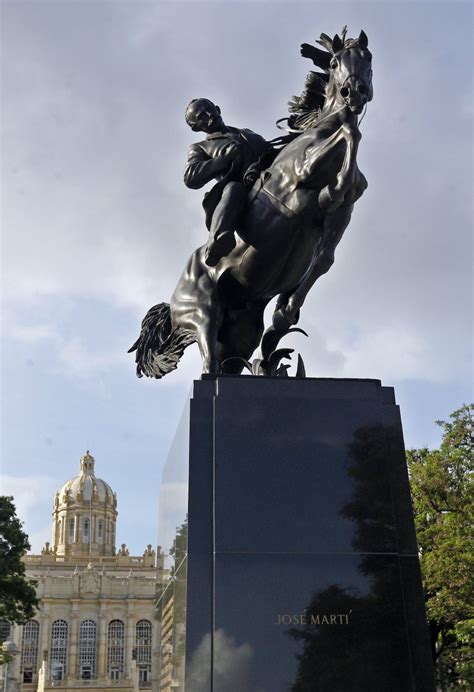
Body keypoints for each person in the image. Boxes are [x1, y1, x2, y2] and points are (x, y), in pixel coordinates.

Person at [184, 98, 270, 266]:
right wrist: (224, 159)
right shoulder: (200, 147)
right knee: (233, 189)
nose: (210, 115)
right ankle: (217, 242)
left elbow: (270, 152)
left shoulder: (247, 133)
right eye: (202, 116)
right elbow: (190, 177)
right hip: (239, 189)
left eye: (210, 109)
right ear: (196, 127)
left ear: (217, 108)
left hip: (266, 178)